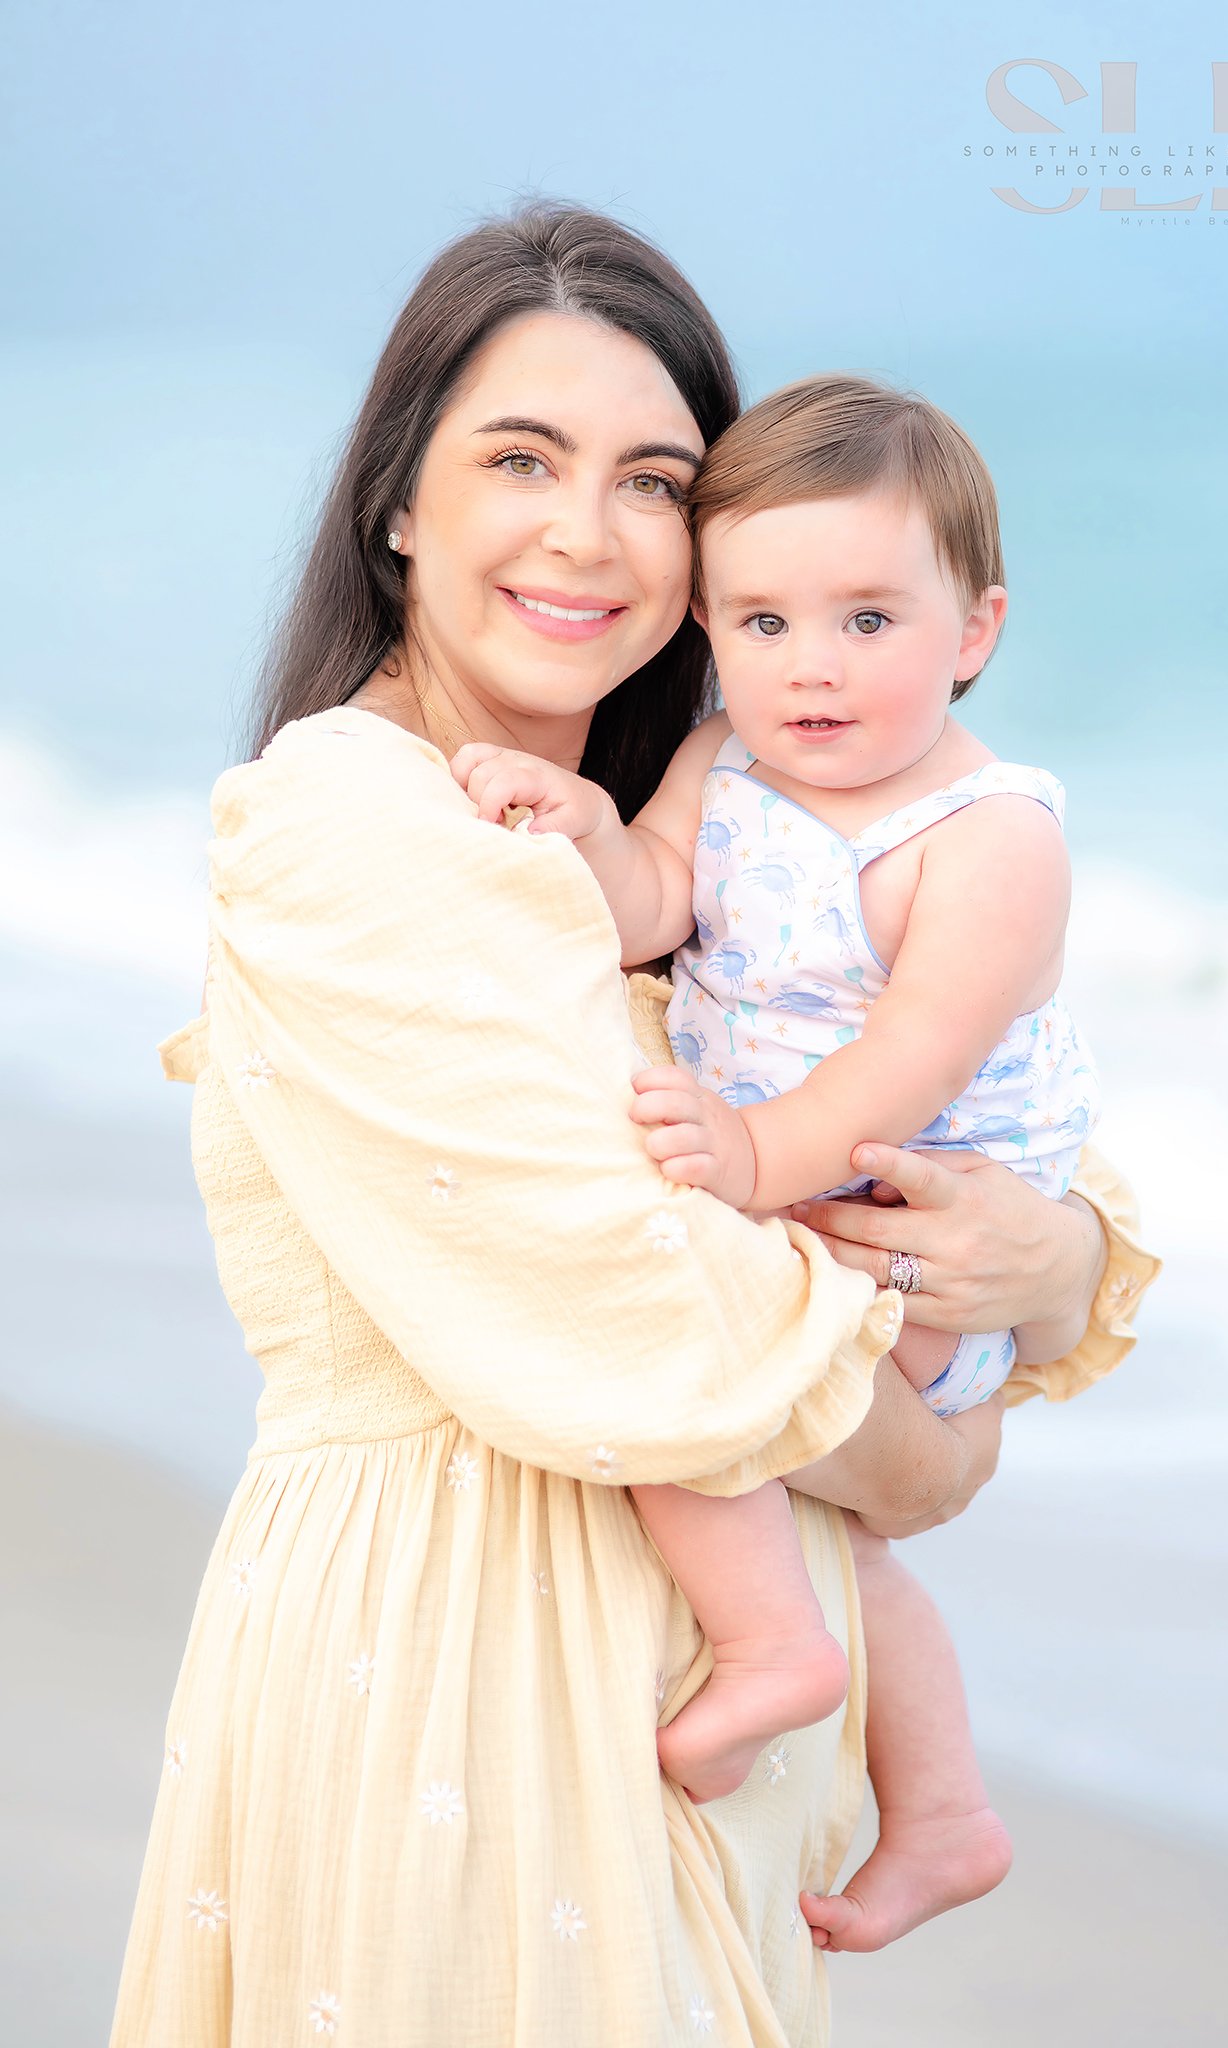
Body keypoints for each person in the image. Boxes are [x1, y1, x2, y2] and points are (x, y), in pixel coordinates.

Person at [111, 203, 1157, 2048]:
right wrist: (935, 1453)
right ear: (401, 504)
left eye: (655, 478)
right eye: (521, 459)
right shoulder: (352, 825)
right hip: (460, 1680)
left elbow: (975, 1140)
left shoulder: (703, 844)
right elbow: (645, 1300)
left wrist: (1060, 1260)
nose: (589, 533)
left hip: (680, 1736)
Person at [447, 373, 1104, 1949]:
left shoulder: (984, 836)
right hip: (796, 1207)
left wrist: (746, 1157)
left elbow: (909, 1061)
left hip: (907, 1235)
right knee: (850, 1539)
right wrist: (578, 827)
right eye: (762, 623)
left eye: (869, 621)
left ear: (977, 629)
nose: (809, 670)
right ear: (716, 632)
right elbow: (655, 900)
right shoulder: (727, 760)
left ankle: (771, 1655)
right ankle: (943, 1812)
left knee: (671, 1354)